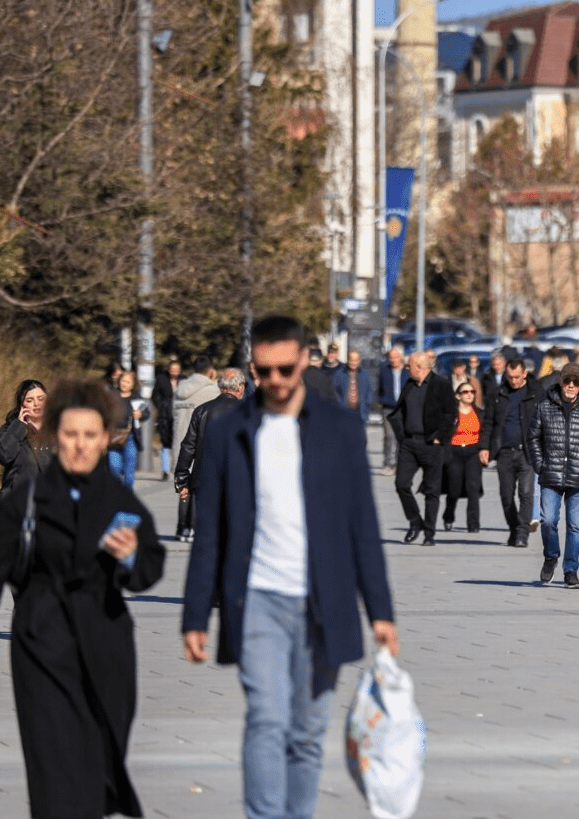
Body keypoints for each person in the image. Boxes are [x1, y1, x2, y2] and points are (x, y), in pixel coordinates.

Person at [180, 314, 397, 819]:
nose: (274, 381)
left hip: (325, 600)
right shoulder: (229, 431)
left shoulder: (339, 429)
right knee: (266, 719)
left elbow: (361, 524)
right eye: (263, 371)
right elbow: (210, 530)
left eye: (284, 369)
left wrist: (381, 611)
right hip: (257, 599)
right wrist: (194, 616)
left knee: (306, 732)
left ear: (304, 360)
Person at [0, 378, 166, 819]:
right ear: (57, 435)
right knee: (51, 759)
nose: (79, 445)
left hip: (105, 641)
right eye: (71, 435)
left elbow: (148, 570)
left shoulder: (120, 500)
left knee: (98, 753)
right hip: (42, 642)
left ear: (104, 440)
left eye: (89, 436)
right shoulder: (29, 499)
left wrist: (132, 556)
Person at [529, 363, 579, 589]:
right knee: (549, 521)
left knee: (575, 526)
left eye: (575, 381)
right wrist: (539, 464)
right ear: (560, 382)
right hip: (550, 474)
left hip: (577, 476)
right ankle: (551, 556)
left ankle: (571, 569)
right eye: (567, 381)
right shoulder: (544, 406)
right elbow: (533, 437)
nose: (571, 386)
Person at [387, 351, 456, 546]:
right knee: (401, 484)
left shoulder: (441, 384)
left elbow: (450, 414)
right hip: (409, 444)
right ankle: (415, 521)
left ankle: (429, 534)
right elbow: (399, 411)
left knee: (432, 491)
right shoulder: (409, 385)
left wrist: (439, 438)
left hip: (431, 445)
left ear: (420, 367)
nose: (407, 369)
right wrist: (401, 436)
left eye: (409, 366)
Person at [173, 369, 247, 543]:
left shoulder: (202, 410)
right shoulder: (246, 412)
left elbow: (188, 447)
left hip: (204, 479)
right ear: (240, 387)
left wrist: (182, 481)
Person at [480, 356, 545, 547]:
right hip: (504, 452)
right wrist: (484, 447)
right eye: (510, 377)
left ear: (525, 373)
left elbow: (546, 421)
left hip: (527, 452)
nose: (514, 381)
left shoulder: (537, 393)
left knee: (526, 493)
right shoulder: (498, 393)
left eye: (517, 377)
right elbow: (489, 422)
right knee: (506, 496)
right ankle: (514, 528)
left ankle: (522, 533)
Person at [172, 357, 219, 538]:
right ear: (211, 372)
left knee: (182, 486)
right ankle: (191, 527)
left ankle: (181, 527)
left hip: (179, 443)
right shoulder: (211, 391)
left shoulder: (179, 390)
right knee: (194, 488)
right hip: (197, 443)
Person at [0, 379, 51, 507]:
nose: (36, 404)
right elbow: (1, 454)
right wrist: (19, 426)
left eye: (40, 398)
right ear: (22, 405)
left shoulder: (59, 430)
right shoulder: (11, 428)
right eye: (30, 400)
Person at [442, 379, 485, 533]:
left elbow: (484, 433)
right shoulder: (452, 413)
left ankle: (473, 524)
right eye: (465, 392)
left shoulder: (479, 412)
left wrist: (484, 449)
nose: (469, 394)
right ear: (458, 396)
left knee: (473, 489)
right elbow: (444, 433)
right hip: (455, 452)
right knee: (454, 489)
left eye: (472, 392)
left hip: (473, 452)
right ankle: (448, 517)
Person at [107, 371, 148, 488]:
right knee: (114, 467)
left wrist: (140, 415)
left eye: (128, 382)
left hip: (131, 437)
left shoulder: (136, 397)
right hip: (113, 437)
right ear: (119, 381)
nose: (125, 384)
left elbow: (146, 413)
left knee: (129, 474)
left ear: (133, 384)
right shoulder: (112, 395)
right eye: (123, 381)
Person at [377, 347, 409, 475]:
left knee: (401, 437)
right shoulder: (384, 370)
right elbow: (379, 387)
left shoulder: (407, 372)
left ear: (401, 357)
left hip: (403, 408)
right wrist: (382, 401)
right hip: (388, 408)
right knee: (389, 437)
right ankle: (387, 464)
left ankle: (398, 464)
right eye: (391, 357)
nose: (393, 360)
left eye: (395, 357)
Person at [151, 357, 182, 480]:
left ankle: (178, 468)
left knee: (179, 441)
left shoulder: (184, 380)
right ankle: (165, 469)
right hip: (165, 415)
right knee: (165, 441)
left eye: (177, 370)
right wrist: (162, 405)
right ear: (169, 369)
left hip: (179, 414)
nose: (174, 372)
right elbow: (155, 396)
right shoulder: (161, 379)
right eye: (172, 369)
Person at [331, 349, 373, 422]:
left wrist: (366, 404)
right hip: (344, 411)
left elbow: (369, 391)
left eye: (356, 360)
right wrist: (340, 404)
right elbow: (334, 391)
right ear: (347, 360)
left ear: (359, 361)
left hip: (360, 412)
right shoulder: (339, 373)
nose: (353, 363)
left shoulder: (365, 374)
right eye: (351, 360)